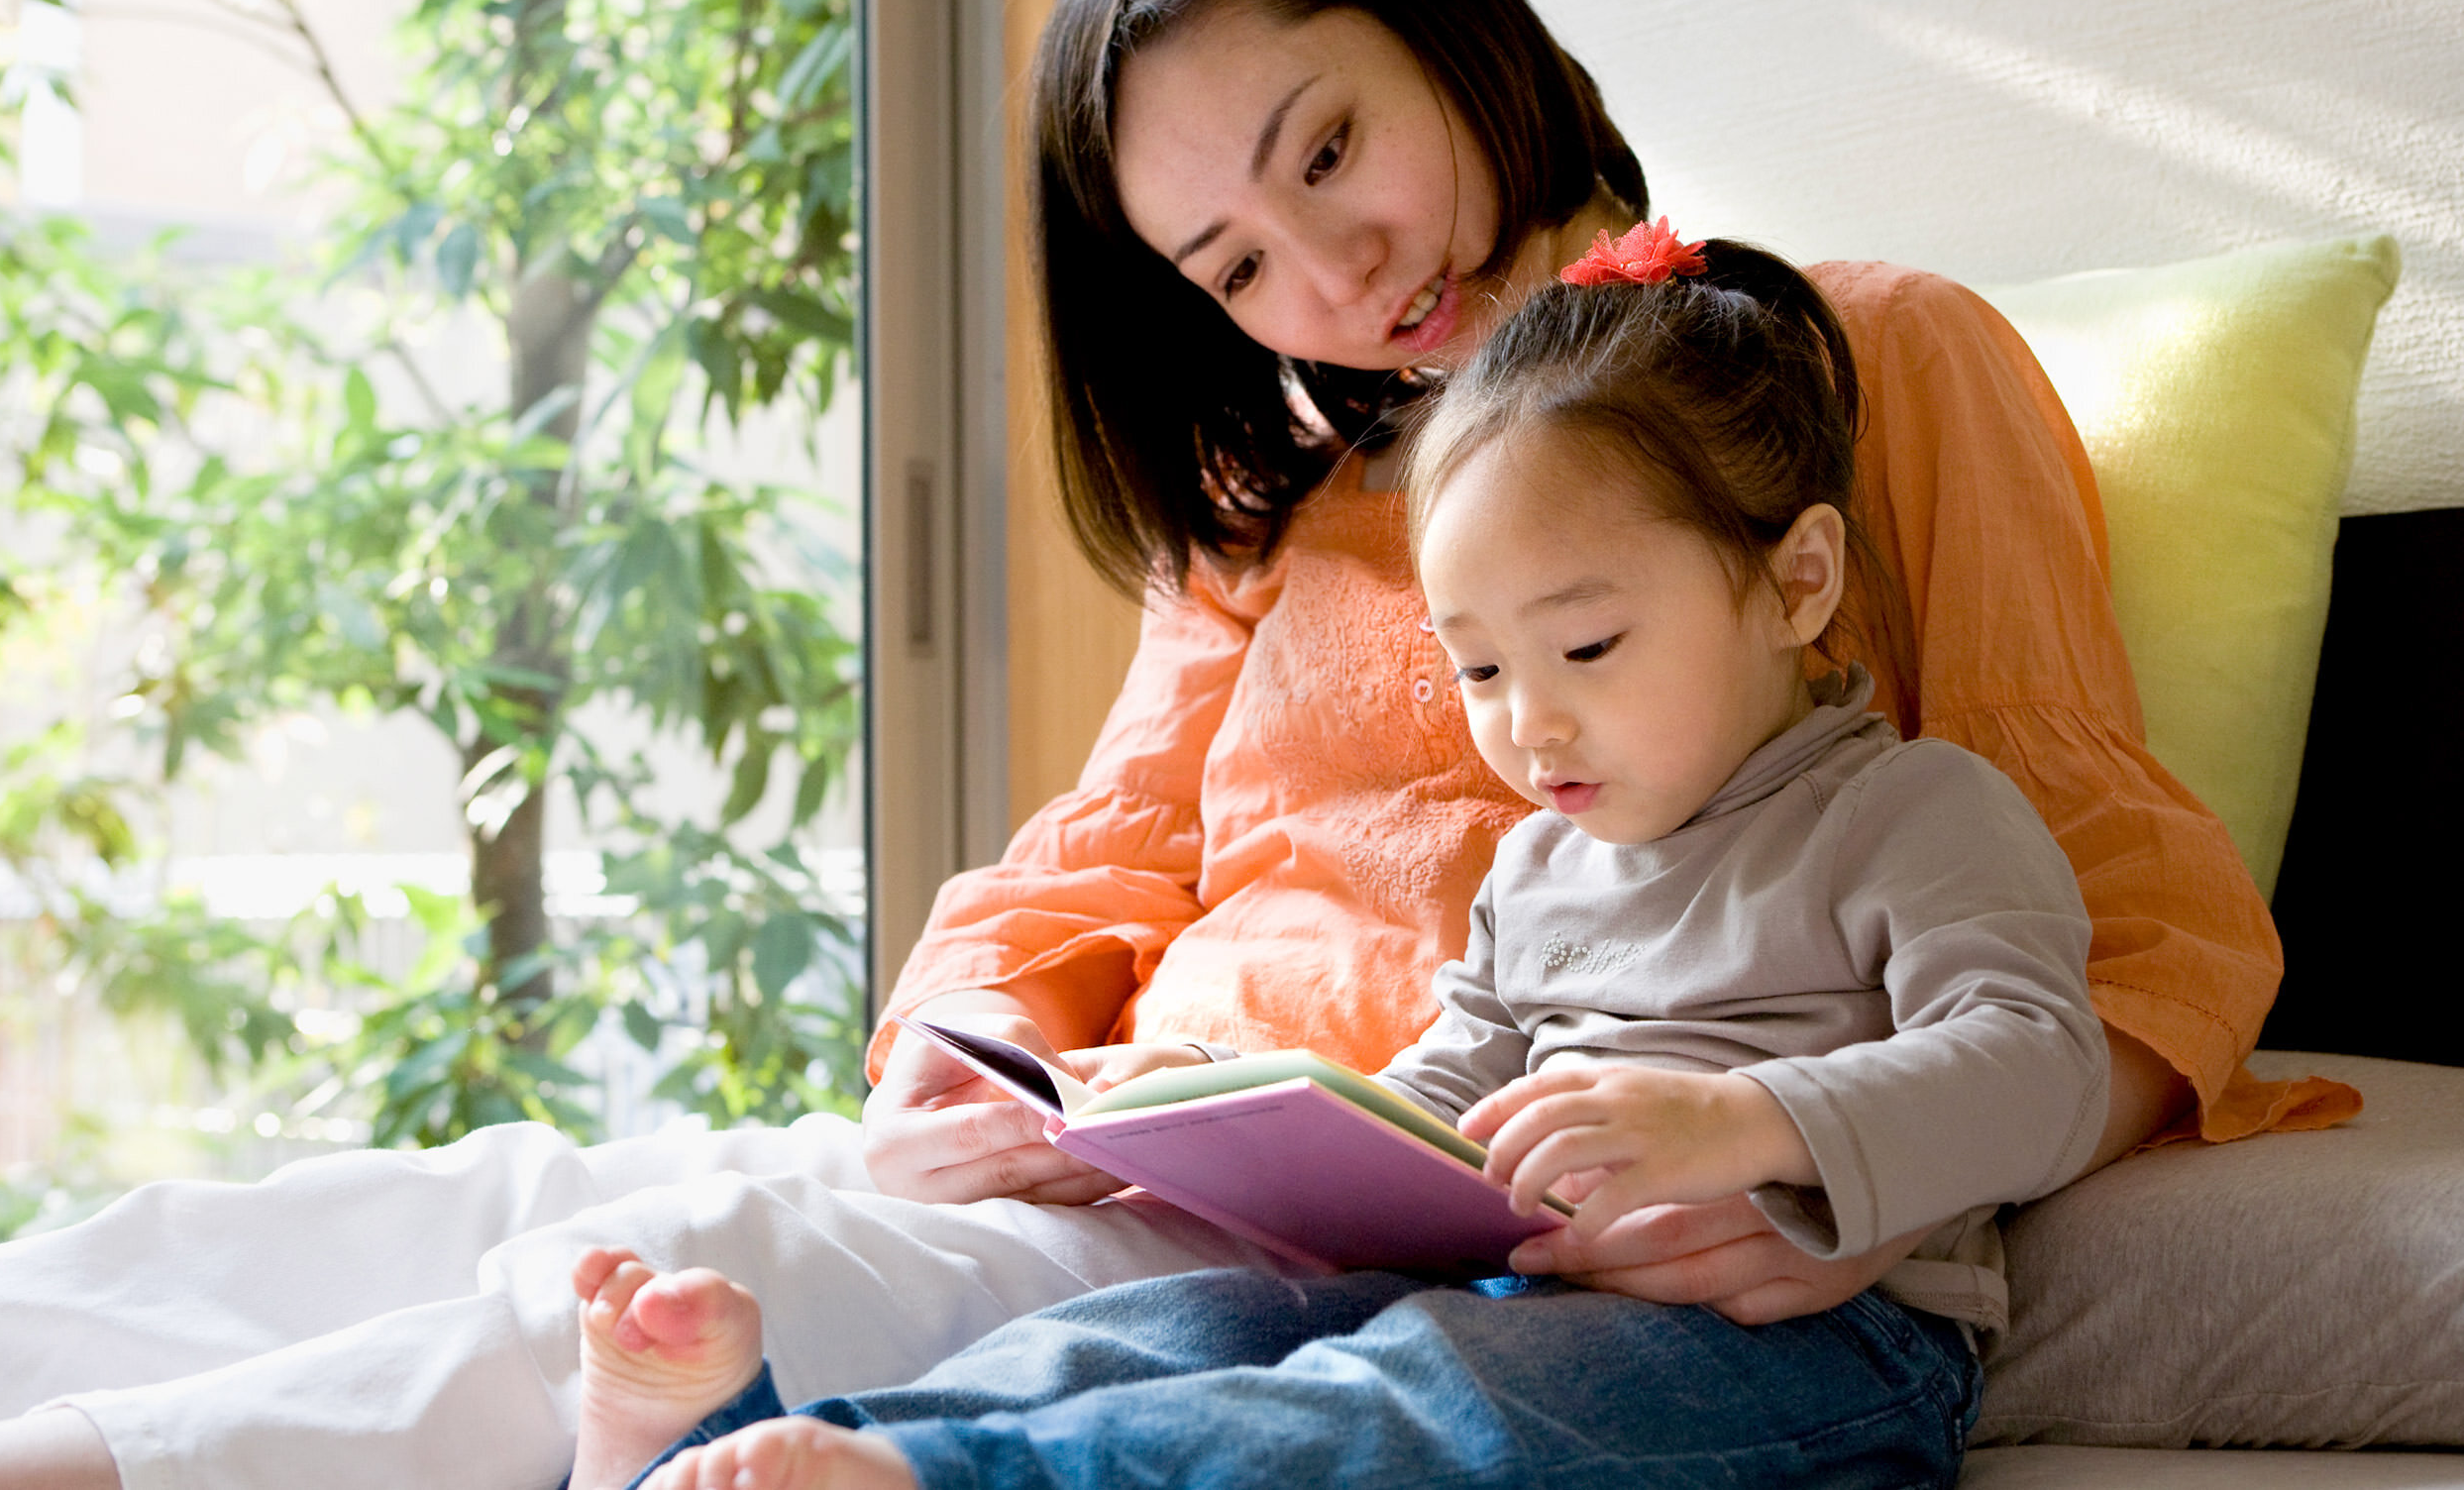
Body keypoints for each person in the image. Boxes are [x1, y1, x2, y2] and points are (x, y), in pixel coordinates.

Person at [0, 0, 2352, 1490]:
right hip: (1153, 1133)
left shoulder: (1860, 362)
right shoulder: (1272, 511)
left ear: (1453, 40)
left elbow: (2119, 903)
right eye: (1233, 262)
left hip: (1364, 1215)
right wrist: (957, 1054)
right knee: (483, 1189)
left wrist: (1799, 1163)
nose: (1328, 271)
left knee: (679, 1273)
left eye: (1332, 151)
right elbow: (1095, 857)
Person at [558, 231, 2113, 1490]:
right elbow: (1453, 1090)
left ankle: (943, 1487)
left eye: (1584, 643)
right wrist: (1221, 1126)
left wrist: (1747, 1122)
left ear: (1800, 580)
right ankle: (740, 1452)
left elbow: (2036, 1063)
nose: (1530, 722)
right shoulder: (1545, 867)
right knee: (1186, 1321)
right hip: (1519, 1291)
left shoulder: (1916, 811)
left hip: (1810, 1355)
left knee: (1418, 1405)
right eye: (1481, 672)